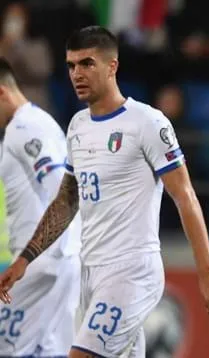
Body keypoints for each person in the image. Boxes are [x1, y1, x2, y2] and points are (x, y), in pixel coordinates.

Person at [0, 26, 209, 358]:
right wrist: (26, 258)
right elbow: (67, 199)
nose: (77, 74)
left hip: (131, 272)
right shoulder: (78, 126)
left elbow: (185, 196)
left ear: (112, 67)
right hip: (90, 271)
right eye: (71, 66)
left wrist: (207, 271)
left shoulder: (147, 123)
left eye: (87, 64)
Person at [0, 58, 81, 357]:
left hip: (37, 264)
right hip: (56, 259)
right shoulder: (40, 123)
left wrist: (29, 258)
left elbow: (61, 187)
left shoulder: (25, 128)